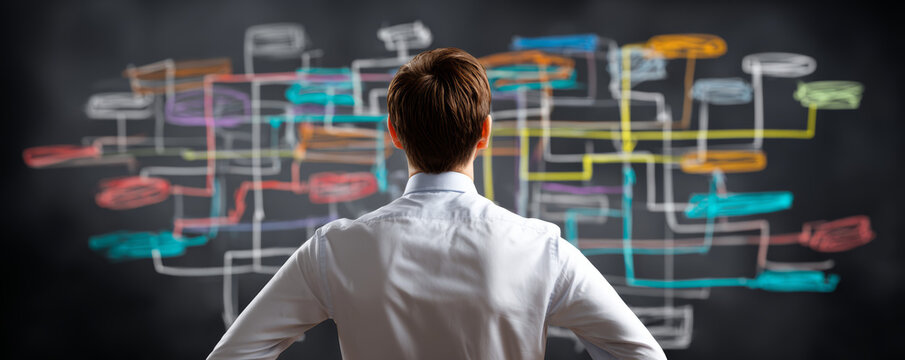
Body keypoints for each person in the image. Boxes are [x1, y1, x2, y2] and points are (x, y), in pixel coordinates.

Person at [207, 47, 666, 360]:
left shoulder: (334, 250)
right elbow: (643, 354)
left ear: (394, 134)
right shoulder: (541, 250)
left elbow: (234, 354)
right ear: (484, 133)